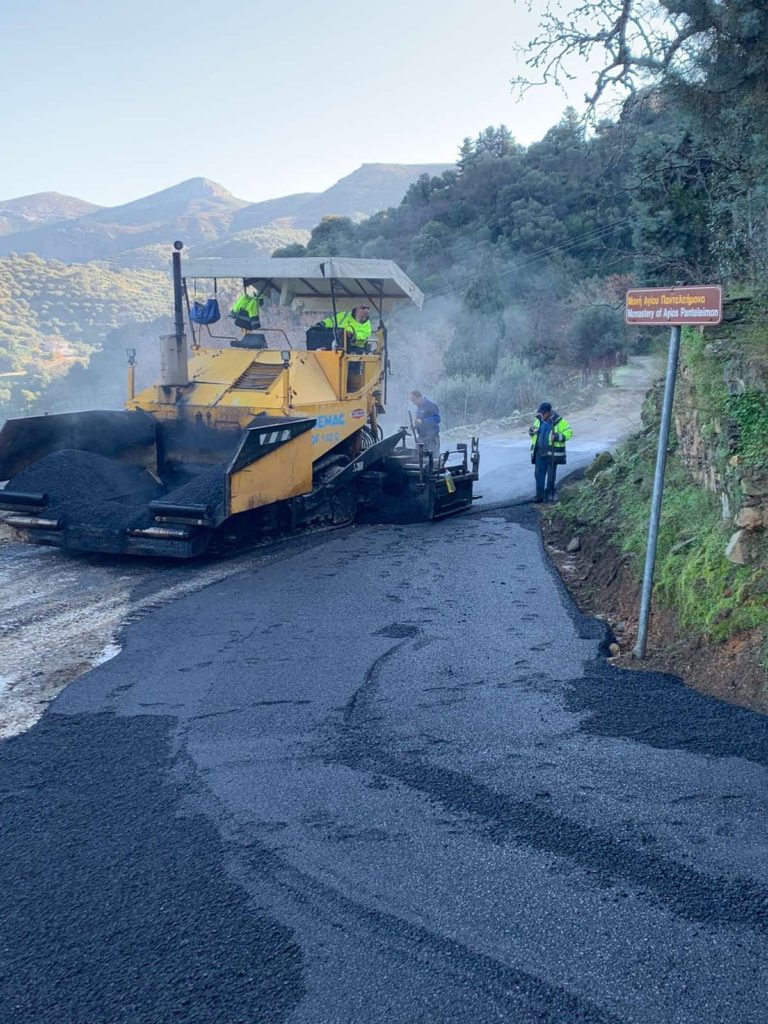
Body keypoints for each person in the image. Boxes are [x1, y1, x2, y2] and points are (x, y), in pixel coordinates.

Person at [529, 401, 573, 503]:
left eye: (543, 413)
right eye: (541, 413)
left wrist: (557, 436)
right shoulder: (538, 420)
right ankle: (539, 497)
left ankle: (549, 496)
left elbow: (569, 433)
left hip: (552, 454)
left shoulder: (559, 421)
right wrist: (531, 431)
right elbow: (531, 431)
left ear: (549, 412)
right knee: (538, 475)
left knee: (550, 477)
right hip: (539, 453)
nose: (542, 415)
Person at [410, 391, 441, 458]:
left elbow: (437, 419)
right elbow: (418, 421)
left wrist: (423, 421)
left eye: (414, 400)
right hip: (421, 438)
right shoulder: (418, 408)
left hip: (431, 438)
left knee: (432, 460)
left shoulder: (431, 405)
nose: (413, 403)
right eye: (412, 401)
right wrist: (415, 425)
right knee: (419, 459)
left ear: (420, 397)